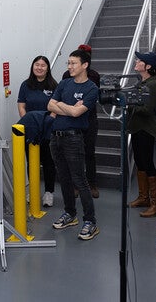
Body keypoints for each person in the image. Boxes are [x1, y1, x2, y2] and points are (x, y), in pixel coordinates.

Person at [48, 49, 100, 241]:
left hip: (73, 138)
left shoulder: (92, 88)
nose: (69, 66)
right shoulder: (64, 83)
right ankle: (70, 214)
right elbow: (49, 105)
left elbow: (78, 114)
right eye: (68, 63)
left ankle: (90, 221)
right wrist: (70, 108)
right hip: (56, 137)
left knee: (79, 180)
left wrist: (62, 106)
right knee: (64, 178)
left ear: (85, 65)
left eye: (73, 63)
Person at [17, 56, 59, 207]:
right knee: (31, 161)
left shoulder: (54, 85)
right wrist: (28, 122)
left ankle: (49, 193)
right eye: (37, 64)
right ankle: (34, 191)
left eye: (43, 65)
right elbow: (21, 106)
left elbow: (56, 108)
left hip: (47, 130)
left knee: (48, 161)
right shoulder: (25, 85)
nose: (39, 68)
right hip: (31, 131)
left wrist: (48, 123)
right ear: (32, 66)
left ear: (47, 68)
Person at [127, 51, 156, 217]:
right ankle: (144, 198)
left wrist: (129, 103)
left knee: (148, 164)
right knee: (141, 163)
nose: (136, 61)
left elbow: (148, 109)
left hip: (145, 130)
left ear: (148, 67)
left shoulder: (152, 85)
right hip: (137, 128)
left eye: (139, 60)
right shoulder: (143, 82)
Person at [61, 44, 101, 198]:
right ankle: (75, 185)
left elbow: (93, 97)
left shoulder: (94, 76)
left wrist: (82, 105)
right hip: (71, 119)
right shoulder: (66, 76)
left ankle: (92, 184)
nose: (71, 66)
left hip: (89, 119)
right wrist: (70, 107)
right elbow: (61, 97)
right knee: (72, 154)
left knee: (89, 152)